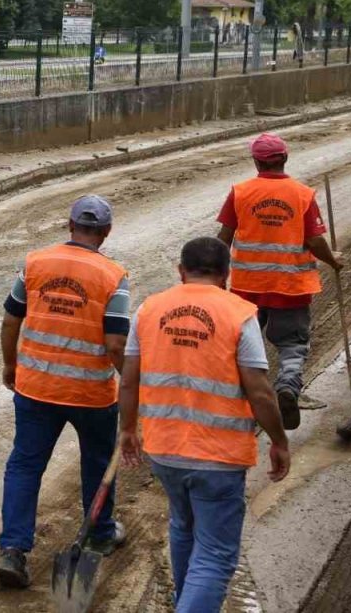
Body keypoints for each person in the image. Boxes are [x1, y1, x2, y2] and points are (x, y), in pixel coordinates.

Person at [120, 236, 290, 612]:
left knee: (183, 527)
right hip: (219, 456)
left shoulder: (149, 309)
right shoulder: (239, 314)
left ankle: (186, 602)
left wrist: (128, 429)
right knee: (214, 555)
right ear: (226, 275)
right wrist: (279, 440)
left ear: (181, 271)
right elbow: (260, 392)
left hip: (165, 452)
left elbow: (129, 380)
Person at [0, 195, 131, 589]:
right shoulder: (113, 276)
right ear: (106, 232)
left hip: (36, 389)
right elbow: (116, 345)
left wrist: (10, 364)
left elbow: (10, 320)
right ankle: (99, 533)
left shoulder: (35, 263)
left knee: (25, 465)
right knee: (97, 461)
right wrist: (131, 386)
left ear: (70, 225)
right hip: (91, 395)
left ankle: (13, 550)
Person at [215, 133, 342, 429]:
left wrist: (216, 276)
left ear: (256, 162)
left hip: (247, 288)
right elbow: (315, 241)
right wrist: (334, 261)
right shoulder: (302, 195)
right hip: (290, 287)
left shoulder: (240, 192)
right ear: (285, 158)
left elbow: (223, 238)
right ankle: (287, 387)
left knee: (242, 344)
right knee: (292, 344)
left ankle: (238, 399)